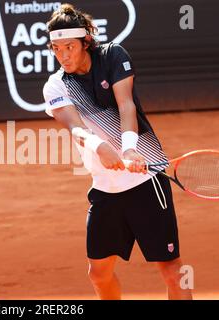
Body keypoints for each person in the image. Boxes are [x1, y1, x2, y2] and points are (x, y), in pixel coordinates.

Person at [42, 4, 193, 300]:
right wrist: (99, 146)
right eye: (56, 49)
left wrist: (129, 149)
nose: (63, 55)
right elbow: (74, 125)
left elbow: (126, 104)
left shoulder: (113, 55)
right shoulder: (55, 85)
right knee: (98, 274)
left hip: (146, 183)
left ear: (86, 41)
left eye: (69, 47)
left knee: (172, 270)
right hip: (105, 189)